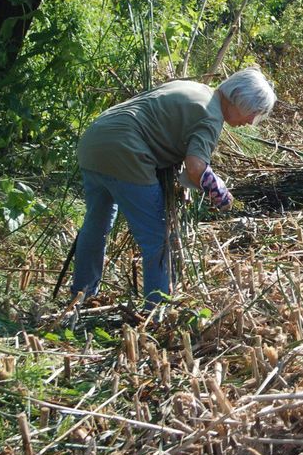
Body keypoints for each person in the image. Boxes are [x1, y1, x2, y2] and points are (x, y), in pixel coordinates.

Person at [73, 67, 277, 305]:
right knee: (158, 238)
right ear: (239, 99)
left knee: (96, 225)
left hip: (94, 141)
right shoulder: (211, 116)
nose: (251, 121)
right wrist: (221, 194)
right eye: (253, 112)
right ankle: (157, 310)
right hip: (126, 151)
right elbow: (195, 166)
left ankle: (80, 297)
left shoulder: (194, 88)